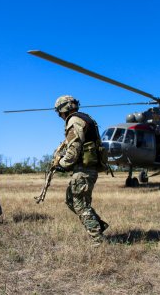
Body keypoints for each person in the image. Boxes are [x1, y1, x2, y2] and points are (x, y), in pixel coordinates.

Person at [53, 95, 109, 245]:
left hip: (83, 170)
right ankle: (99, 224)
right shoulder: (86, 118)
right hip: (87, 168)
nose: (59, 116)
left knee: (80, 204)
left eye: (59, 112)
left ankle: (98, 239)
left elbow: (75, 147)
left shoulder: (74, 120)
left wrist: (63, 163)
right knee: (71, 199)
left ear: (64, 109)